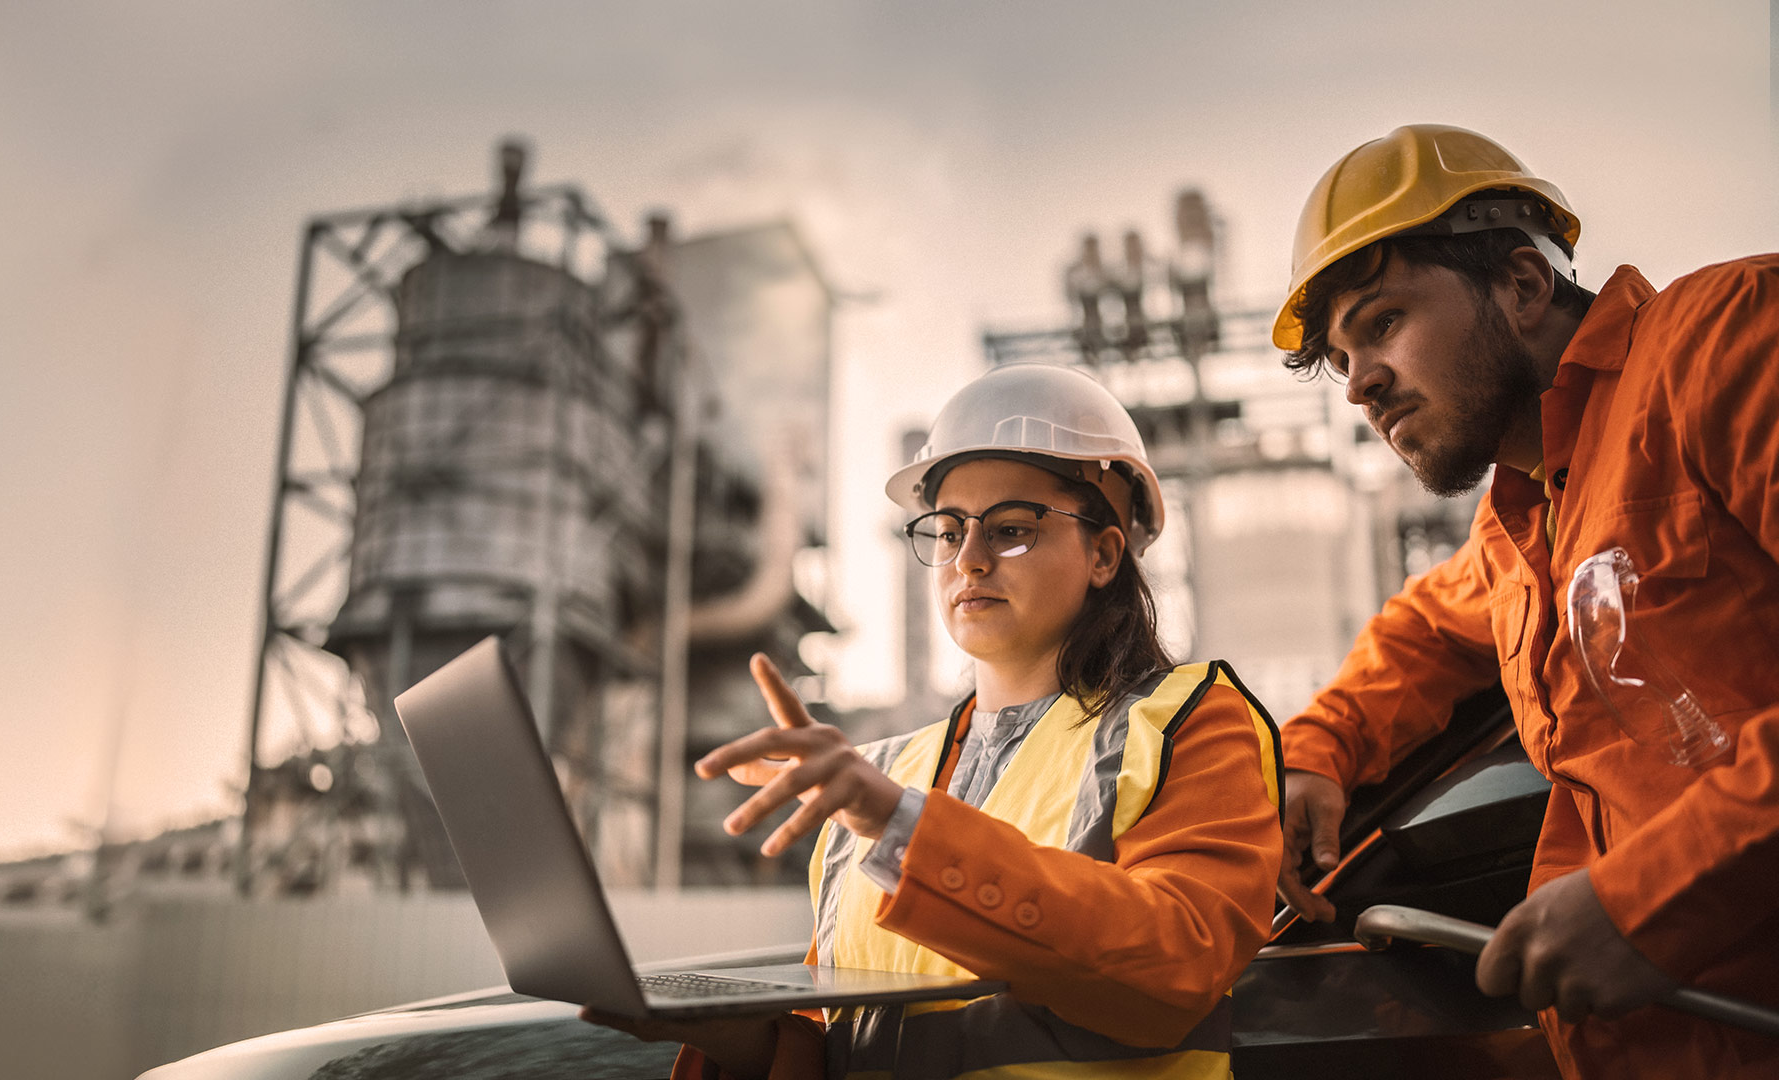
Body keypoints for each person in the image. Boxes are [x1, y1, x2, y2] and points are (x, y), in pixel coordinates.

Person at [588, 361, 1283, 1079]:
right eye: (948, 532)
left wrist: (901, 826)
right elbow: (843, 1052)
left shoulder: (1187, 724)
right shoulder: (877, 783)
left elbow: (1176, 967)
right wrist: (737, 1040)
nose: (970, 560)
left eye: (1011, 529)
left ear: (1104, 553)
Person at [1271, 123, 1779, 1078]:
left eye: (1383, 321)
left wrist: (1648, 901)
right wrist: (1316, 752)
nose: (1360, 385)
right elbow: (1421, 634)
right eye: (1342, 357)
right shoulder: (1520, 523)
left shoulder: (1725, 340)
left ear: (1522, 284)